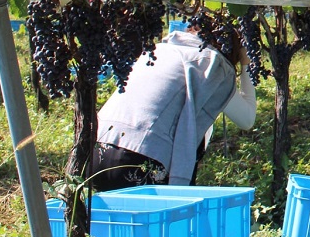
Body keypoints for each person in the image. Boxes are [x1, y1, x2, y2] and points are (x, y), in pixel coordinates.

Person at [91, 25, 256, 192]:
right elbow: (247, 119)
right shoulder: (211, 65)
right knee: (160, 217)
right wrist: (246, 62)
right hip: (142, 159)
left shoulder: (158, 51)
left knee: (101, 218)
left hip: (97, 148)